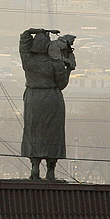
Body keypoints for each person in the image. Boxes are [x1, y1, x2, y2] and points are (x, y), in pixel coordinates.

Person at [19, 28, 76, 180]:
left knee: (34, 132)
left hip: (34, 99)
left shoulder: (28, 60)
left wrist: (39, 30)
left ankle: (35, 168)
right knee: (53, 134)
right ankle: (51, 170)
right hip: (52, 98)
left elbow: (24, 37)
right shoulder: (55, 63)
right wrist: (69, 69)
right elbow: (62, 84)